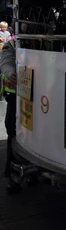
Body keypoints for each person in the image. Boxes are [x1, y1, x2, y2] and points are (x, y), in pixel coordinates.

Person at [0, 35, 20, 194]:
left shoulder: (41, 43)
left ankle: (32, 173)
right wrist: (10, 73)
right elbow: (5, 63)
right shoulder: (11, 45)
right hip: (15, 98)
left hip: (34, 98)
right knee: (13, 134)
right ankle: (13, 177)